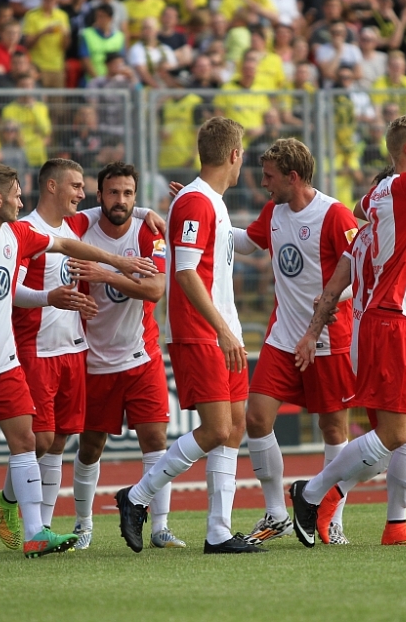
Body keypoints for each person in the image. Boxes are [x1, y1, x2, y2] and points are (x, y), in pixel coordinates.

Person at [0, 162, 155, 561]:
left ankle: (34, 532)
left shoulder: (16, 234)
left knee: (29, 441)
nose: (21, 200)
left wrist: (120, 262)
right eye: (15, 194)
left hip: (5, 361)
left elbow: (64, 244)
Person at [288, 92, 406, 548]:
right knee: (394, 433)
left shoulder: (378, 194)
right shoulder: (405, 186)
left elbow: (359, 219)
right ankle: (312, 492)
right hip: (390, 320)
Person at [115, 117, 265, 555]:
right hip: (203, 334)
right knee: (217, 429)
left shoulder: (205, 202)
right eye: (242, 158)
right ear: (234, 155)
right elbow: (183, 272)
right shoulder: (200, 202)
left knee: (234, 429)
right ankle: (136, 496)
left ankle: (218, 531)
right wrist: (220, 328)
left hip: (223, 331)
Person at [0, 159, 162, 547]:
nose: (81, 193)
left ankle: (46, 529)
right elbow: (13, 291)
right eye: (75, 186)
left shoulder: (74, 225)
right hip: (37, 346)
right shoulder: (24, 231)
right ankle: (8, 501)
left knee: (58, 442)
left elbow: (115, 207)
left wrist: (146, 212)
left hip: (75, 350)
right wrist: (49, 298)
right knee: (38, 441)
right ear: (52, 187)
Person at [208, 138, 357, 546]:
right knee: (256, 418)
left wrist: (331, 299)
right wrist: (208, 219)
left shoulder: (333, 213)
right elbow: (244, 241)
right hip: (283, 335)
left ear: (293, 177)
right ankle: (276, 512)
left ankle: (331, 515)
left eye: (270, 176)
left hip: (330, 338)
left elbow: (364, 270)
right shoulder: (274, 211)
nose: (263, 183)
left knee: (333, 429)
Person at [65, 161, 186, 550]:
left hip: (141, 355)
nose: (121, 200)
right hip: (93, 360)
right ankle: (84, 525)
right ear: (99, 195)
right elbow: (49, 225)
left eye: (129, 194)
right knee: (90, 447)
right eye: (113, 192)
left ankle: (160, 527)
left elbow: (154, 290)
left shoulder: (149, 232)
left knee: (155, 440)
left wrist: (106, 275)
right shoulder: (81, 228)